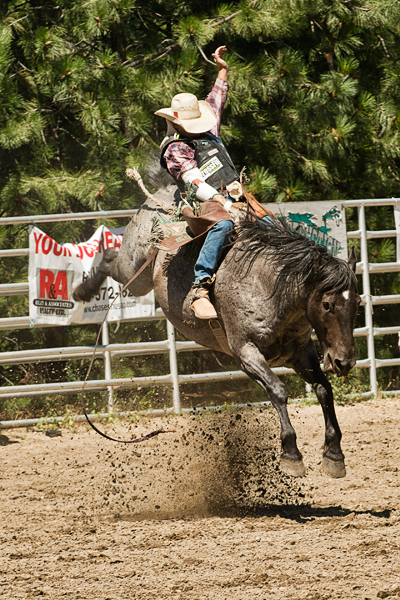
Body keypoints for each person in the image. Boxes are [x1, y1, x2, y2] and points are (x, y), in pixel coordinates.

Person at [155, 46, 271, 319]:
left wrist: (222, 70)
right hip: (203, 201)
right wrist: (222, 202)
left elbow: (216, 99)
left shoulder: (207, 130)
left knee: (271, 226)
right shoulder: (175, 148)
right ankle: (201, 286)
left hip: (235, 194)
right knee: (223, 225)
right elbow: (193, 180)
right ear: (177, 124)